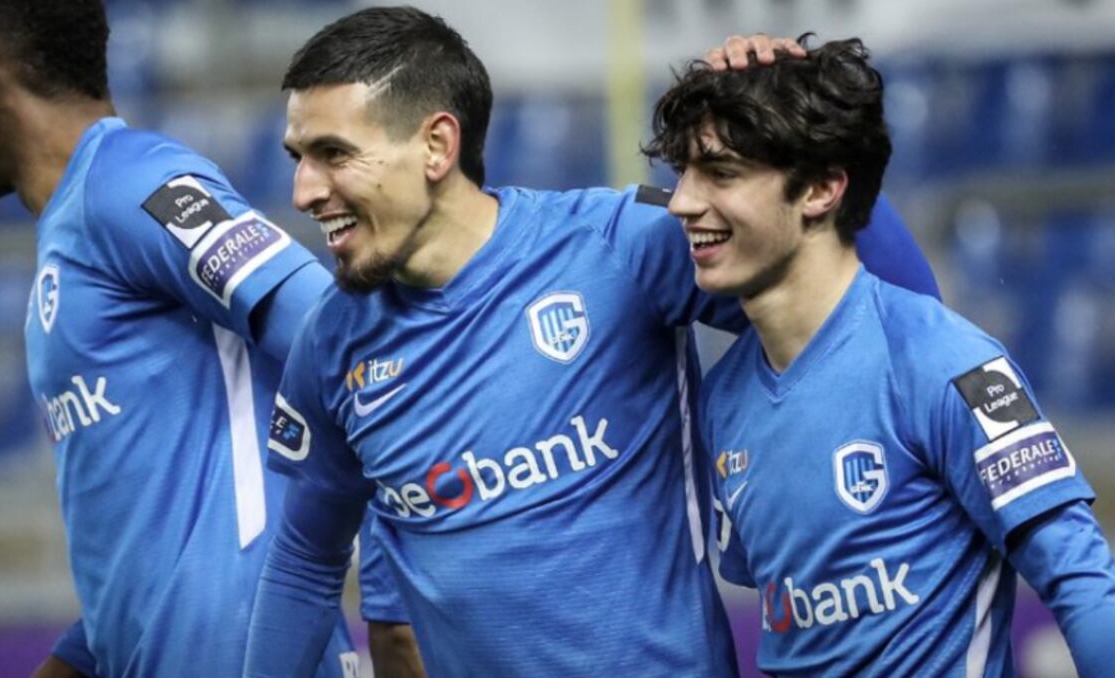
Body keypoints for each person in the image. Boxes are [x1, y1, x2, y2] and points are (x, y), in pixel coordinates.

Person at [242, 8, 940, 676]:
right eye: (299, 157)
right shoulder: (333, 342)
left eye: (333, 154)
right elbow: (306, 558)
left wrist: (805, 131)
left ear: (436, 145)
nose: (303, 190)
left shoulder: (617, 248)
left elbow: (887, 307)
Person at [0, 2, 416, 676]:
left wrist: (394, 598)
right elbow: (150, 550)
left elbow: (339, 336)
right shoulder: (72, 231)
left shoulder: (134, 181)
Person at [645, 34, 1115, 675]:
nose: (681, 201)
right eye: (682, 172)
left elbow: (1083, 587)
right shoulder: (725, 397)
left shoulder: (951, 363)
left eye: (721, 173)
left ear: (821, 189)